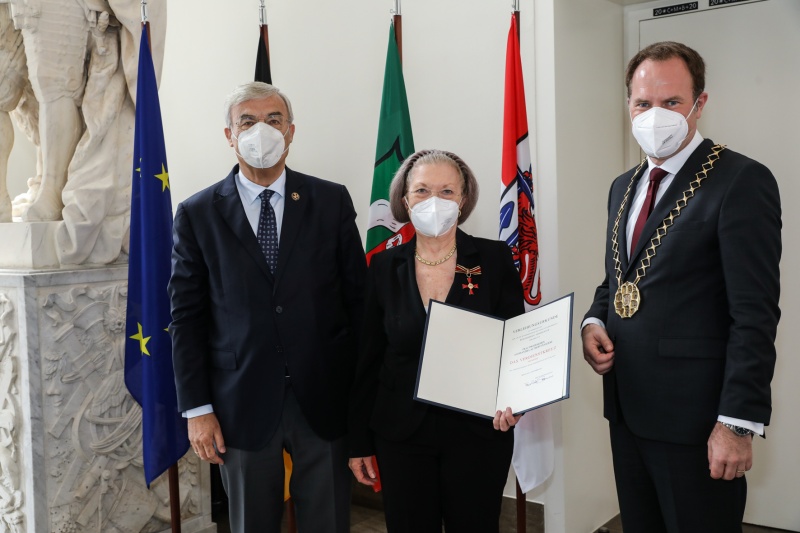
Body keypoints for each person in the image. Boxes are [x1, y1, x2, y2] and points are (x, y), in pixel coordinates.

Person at [582, 41, 781, 533]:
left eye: (671, 102)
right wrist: (593, 322)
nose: (655, 115)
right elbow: (618, 280)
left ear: (699, 103)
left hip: (698, 422)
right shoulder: (622, 186)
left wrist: (736, 423)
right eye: (643, 103)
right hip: (628, 410)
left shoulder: (741, 180)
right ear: (628, 105)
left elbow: (754, 314)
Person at [169, 81, 366, 533]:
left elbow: (358, 302)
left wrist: (361, 402)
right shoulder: (197, 213)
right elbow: (186, 318)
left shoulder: (330, 201)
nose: (263, 130)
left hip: (323, 398)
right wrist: (197, 409)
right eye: (248, 121)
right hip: (239, 402)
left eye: (274, 120)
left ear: (291, 131)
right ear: (230, 135)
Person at [348, 149, 524, 533]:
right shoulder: (383, 266)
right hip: (400, 434)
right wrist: (358, 441)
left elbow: (516, 344)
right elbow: (368, 358)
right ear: (405, 199)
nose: (434, 201)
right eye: (422, 190)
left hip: (478, 434)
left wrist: (516, 401)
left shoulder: (493, 258)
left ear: (463, 199)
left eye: (446, 191)